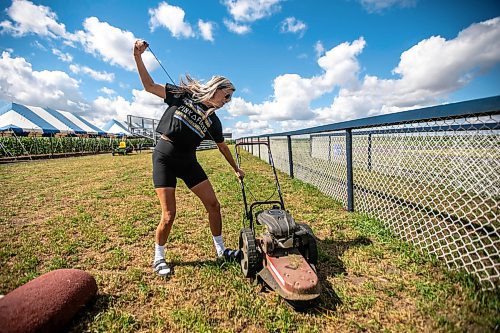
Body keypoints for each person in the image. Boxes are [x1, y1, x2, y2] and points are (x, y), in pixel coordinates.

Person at [133, 40, 244, 278]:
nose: (227, 102)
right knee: (169, 215)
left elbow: (222, 146)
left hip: (188, 160)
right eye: (227, 96)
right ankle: (159, 257)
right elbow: (149, 85)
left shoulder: (213, 121)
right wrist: (137, 56)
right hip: (164, 156)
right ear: (216, 89)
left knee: (214, 205)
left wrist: (236, 169)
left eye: (229, 99)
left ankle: (221, 250)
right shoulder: (184, 95)